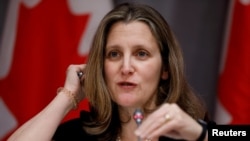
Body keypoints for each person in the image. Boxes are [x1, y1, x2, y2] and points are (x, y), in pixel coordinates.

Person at [7, 2, 212, 141]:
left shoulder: (190, 129)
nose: (126, 68)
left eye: (141, 54)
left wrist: (201, 133)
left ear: (165, 68)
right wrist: (67, 98)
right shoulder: (80, 134)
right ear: (101, 66)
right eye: (114, 54)